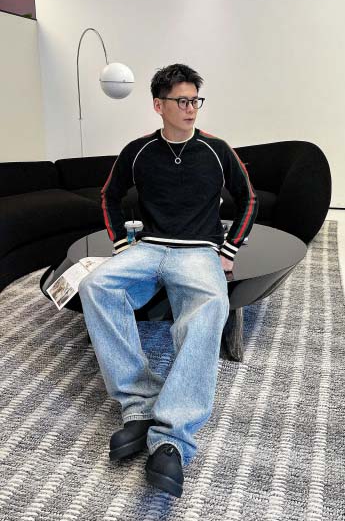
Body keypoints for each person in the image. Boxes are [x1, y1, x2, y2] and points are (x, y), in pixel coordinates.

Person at [78, 63, 258, 498]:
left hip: (198, 251)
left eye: (195, 99)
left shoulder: (217, 150)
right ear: (159, 105)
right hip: (149, 247)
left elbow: (248, 198)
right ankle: (139, 405)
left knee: (211, 305)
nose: (191, 108)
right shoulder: (138, 151)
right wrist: (120, 244)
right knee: (94, 286)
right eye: (181, 100)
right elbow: (109, 195)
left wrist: (229, 250)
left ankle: (173, 437)